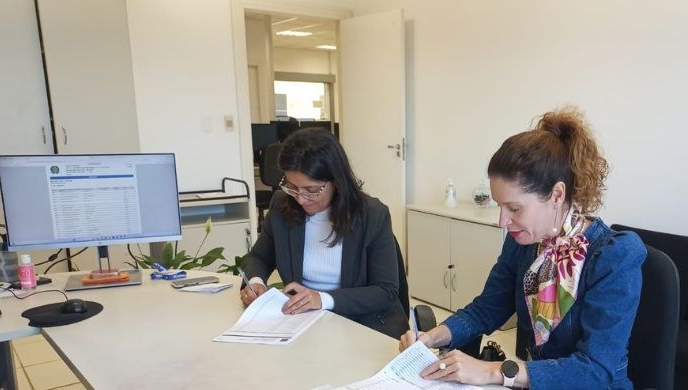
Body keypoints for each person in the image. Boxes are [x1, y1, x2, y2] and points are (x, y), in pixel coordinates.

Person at [399, 106, 647, 389]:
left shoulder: (615, 255)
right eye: (500, 206)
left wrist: (493, 371)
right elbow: (486, 309)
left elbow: (594, 370)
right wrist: (432, 336)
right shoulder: (525, 242)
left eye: (514, 208)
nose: (503, 221)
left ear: (556, 194)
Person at [241, 127, 409, 339]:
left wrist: (322, 299)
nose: (300, 198)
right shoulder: (282, 206)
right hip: (304, 323)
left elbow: (385, 291)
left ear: (337, 181)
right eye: (292, 186)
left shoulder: (372, 214)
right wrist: (255, 282)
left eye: (311, 190)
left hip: (365, 326)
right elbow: (260, 257)